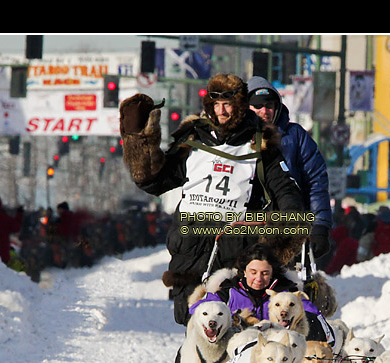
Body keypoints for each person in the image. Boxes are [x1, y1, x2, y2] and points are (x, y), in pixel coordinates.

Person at [119, 73, 306, 326]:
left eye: (228, 104)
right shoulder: (193, 138)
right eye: (216, 104)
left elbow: (286, 191)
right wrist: (139, 142)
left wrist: (286, 228)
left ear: (240, 105)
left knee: (232, 320)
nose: (222, 111)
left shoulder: (259, 144)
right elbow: (153, 181)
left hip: (234, 245)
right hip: (190, 243)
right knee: (192, 319)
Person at [246, 77, 333, 262]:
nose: (264, 111)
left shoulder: (296, 136)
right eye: (257, 105)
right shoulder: (235, 141)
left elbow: (316, 183)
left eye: (269, 105)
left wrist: (320, 226)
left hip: (287, 229)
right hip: (244, 227)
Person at [189, 243, 334, 345]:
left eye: (265, 273)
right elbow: (196, 310)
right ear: (244, 271)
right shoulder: (228, 293)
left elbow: (314, 316)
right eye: (253, 272)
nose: (258, 279)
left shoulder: (285, 294)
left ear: (272, 273)